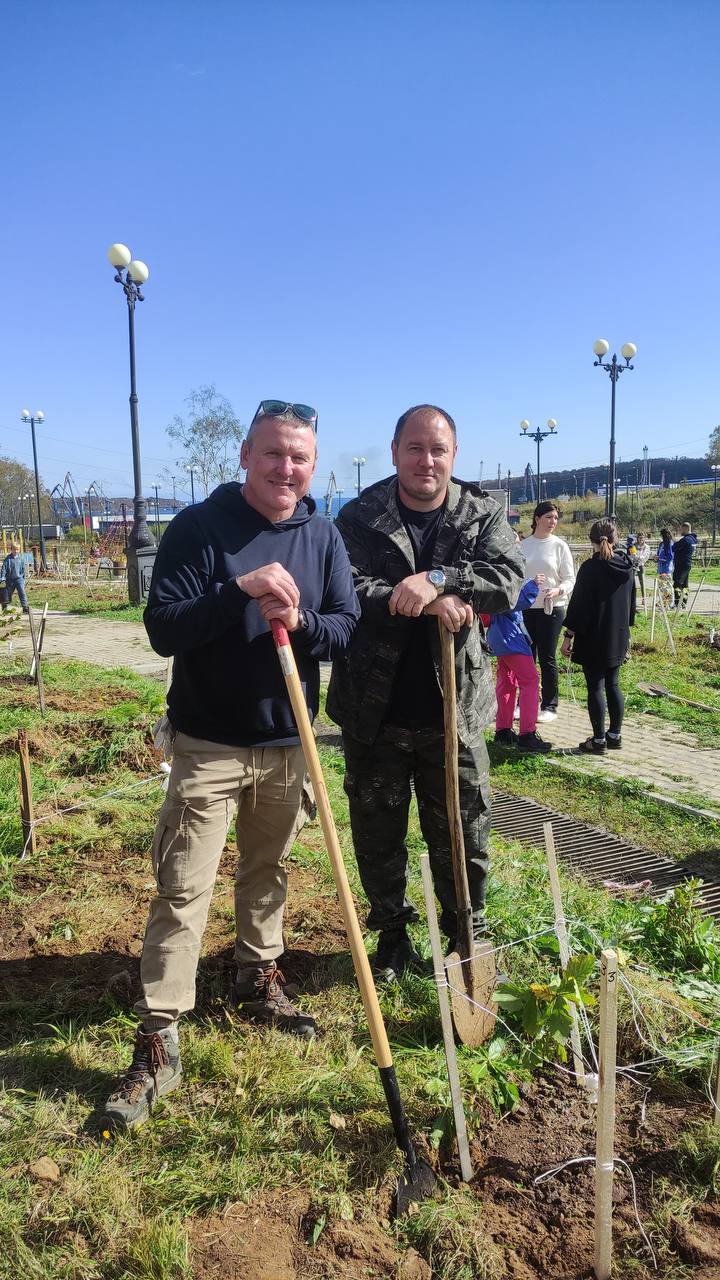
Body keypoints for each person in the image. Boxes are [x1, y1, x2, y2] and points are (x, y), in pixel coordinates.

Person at [104, 401, 359, 1128]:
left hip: (288, 743)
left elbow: (343, 628)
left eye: (300, 458)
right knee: (183, 886)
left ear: (314, 465)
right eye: (275, 453)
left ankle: (257, 974)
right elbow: (163, 628)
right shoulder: (199, 528)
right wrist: (238, 592)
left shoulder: (322, 535)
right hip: (209, 743)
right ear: (246, 455)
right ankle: (159, 1035)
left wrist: (303, 622)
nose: (287, 469)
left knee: (267, 870)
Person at [327, 404, 524, 980]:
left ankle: (467, 932)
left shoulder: (480, 514)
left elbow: (507, 579)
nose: (426, 460)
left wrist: (438, 579)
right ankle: (391, 933)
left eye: (438, 450)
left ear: (453, 455)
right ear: (394, 452)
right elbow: (345, 586)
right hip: (375, 710)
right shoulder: (360, 517)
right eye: (415, 448)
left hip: (453, 713)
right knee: (378, 830)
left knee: (464, 830)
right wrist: (408, 597)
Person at [560, 518, 636, 754]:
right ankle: (615, 735)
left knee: (595, 687)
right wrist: (628, 631)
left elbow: (579, 606)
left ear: (591, 540)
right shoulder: (627, 566)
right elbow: (632, 604)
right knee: (613, 684)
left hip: (593, 635)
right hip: (618, 635)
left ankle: (599, 740)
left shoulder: (590, 568)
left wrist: (568, 635)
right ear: (616, 539)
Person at [519, 502, 576, 722]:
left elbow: (570, 579)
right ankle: (524, 702)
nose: (553, 522)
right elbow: (515, 576)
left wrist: (558, 589)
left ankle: (550, 705)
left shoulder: (560, 546)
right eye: (549, 517)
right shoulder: (523, 545)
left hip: (552, 607)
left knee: (547, 656)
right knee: (525, 657)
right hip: (526, 607)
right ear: (536, 519)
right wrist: (528, 585)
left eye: (555, 518)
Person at [489, 571, 551, 754]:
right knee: (530, 681)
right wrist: (532, 586)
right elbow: (513, 602)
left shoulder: (493, 572)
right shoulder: (504, 574)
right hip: (511, 637)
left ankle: (503, 730)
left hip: (499, 636)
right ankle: (527, 734)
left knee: (507, 681)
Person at [672, 522, 698, 610]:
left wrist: (674, 541)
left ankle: (677, 603)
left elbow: (674, 548)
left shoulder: (685, 540)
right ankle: (683, 603)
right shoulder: (693, 539)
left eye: (681, 529)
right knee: (685, 585)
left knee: (677, 583)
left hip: (681, 564)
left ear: (686, 529)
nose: (680, 531)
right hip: (687, 564)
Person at [1, 542, 29, 612]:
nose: (16, 551)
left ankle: (25, 607)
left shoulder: (21, 559)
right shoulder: (8, 559)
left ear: (19, 550)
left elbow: (23, 569)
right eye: (14, 549)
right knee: (8, 593)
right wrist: (2, 578)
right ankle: (4, 605)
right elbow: (4, 568)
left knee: (22, 592)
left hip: (19, 579)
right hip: (10, 579)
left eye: (17, 550)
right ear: (11, 550)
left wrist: (23, 578)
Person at [656, 528, 674, 611]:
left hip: (667, 568)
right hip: (660, 568)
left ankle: (669, 604)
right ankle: (664, 602)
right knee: (662, 587)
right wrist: (657, 557)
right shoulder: (661, 544)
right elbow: (659, 554)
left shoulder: (670, 544)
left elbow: (670, 557)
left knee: (667, 587)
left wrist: (660, 558)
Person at [633, 532, 651, 606]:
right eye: (639, 537)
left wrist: (639, 558)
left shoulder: (647, 547)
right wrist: (636, 558)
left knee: (642, 582)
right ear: (637, 538)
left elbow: (646, 556)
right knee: (632, 582)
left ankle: (644, 599)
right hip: (633, 565)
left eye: (642, 538)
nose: (641, 539)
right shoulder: (633, 546)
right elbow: (632, 555)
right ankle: (632, 599)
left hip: (641, 565)